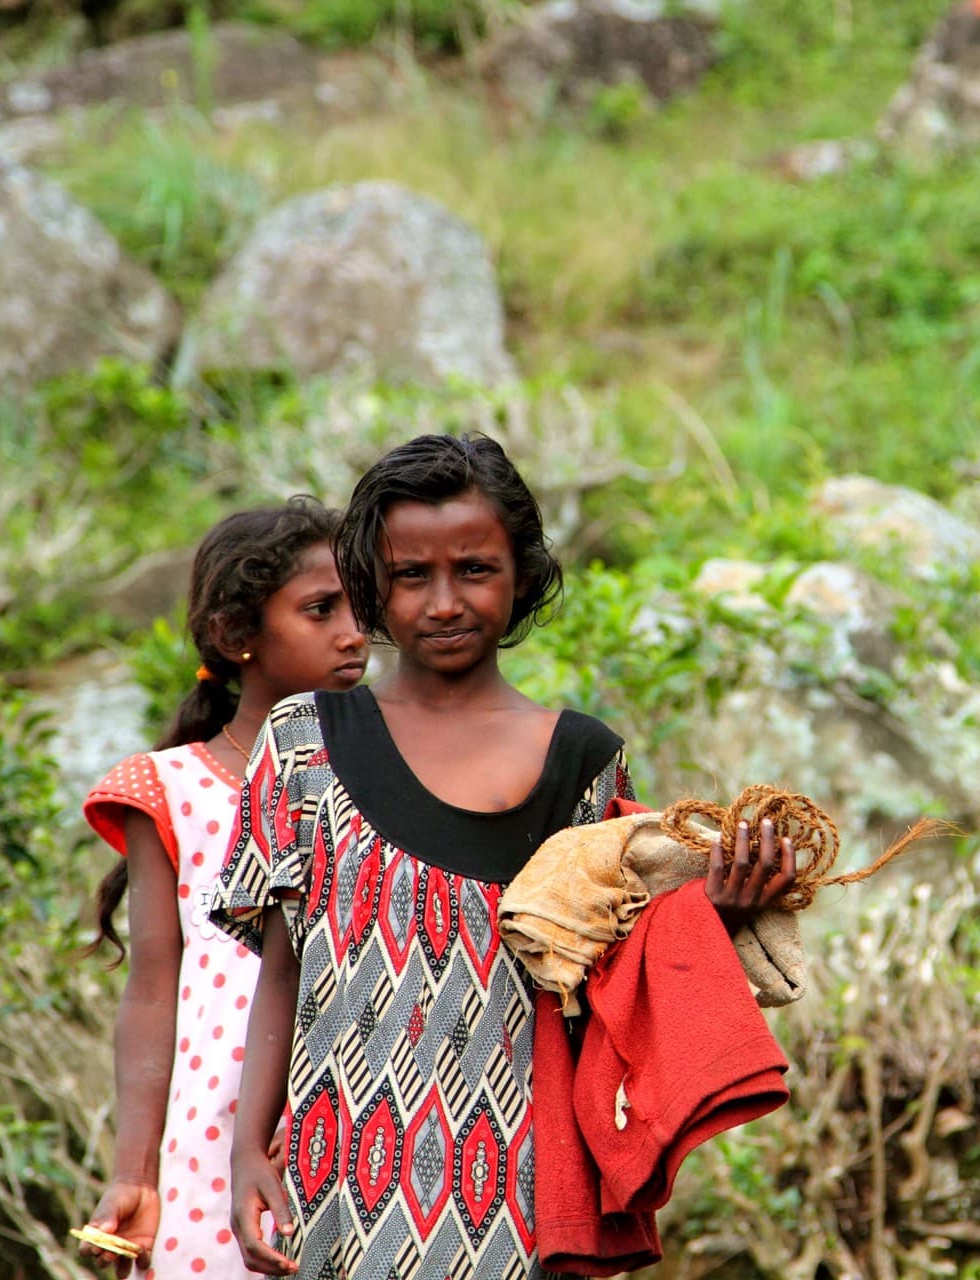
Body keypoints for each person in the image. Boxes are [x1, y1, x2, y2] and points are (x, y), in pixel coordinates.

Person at [210, 434, 798, 1279]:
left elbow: (609, 972)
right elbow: (283, 969)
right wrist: (246, 1154)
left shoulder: (581, 761)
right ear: (372, 585)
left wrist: (719, 912)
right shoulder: (306, 741)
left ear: (522, 574)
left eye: (475, 570)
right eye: (412, 575)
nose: (444, 602)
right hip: (335, 1171)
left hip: (514, 1179)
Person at [78, 499, 370, 1279]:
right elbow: (150, 989)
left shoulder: (390, 773)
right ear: (237, 637)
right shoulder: (168, 788)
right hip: (212, 1124)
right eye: (321, 610)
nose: (355, 631)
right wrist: (135, 1171)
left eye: (360, 605)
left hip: (368, 1099)